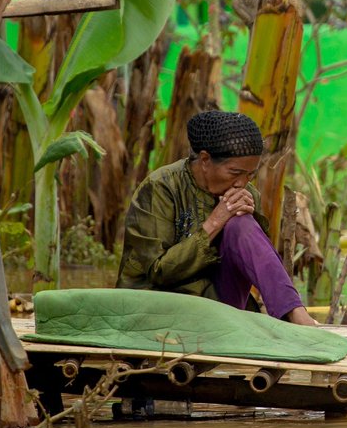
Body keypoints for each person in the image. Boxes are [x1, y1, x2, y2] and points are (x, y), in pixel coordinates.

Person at [117, 110, 317, 326]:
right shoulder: (160, 188)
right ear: (205, 160)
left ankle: (295, 314)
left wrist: (250, 221)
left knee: (242, 224)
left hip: (219, 306)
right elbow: (158, 272)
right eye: (234, 172)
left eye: (250, 174)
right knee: (235, 221)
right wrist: (214, 222)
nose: (242, 183)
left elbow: (253, 263)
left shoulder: (246, 193)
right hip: (159, 306)